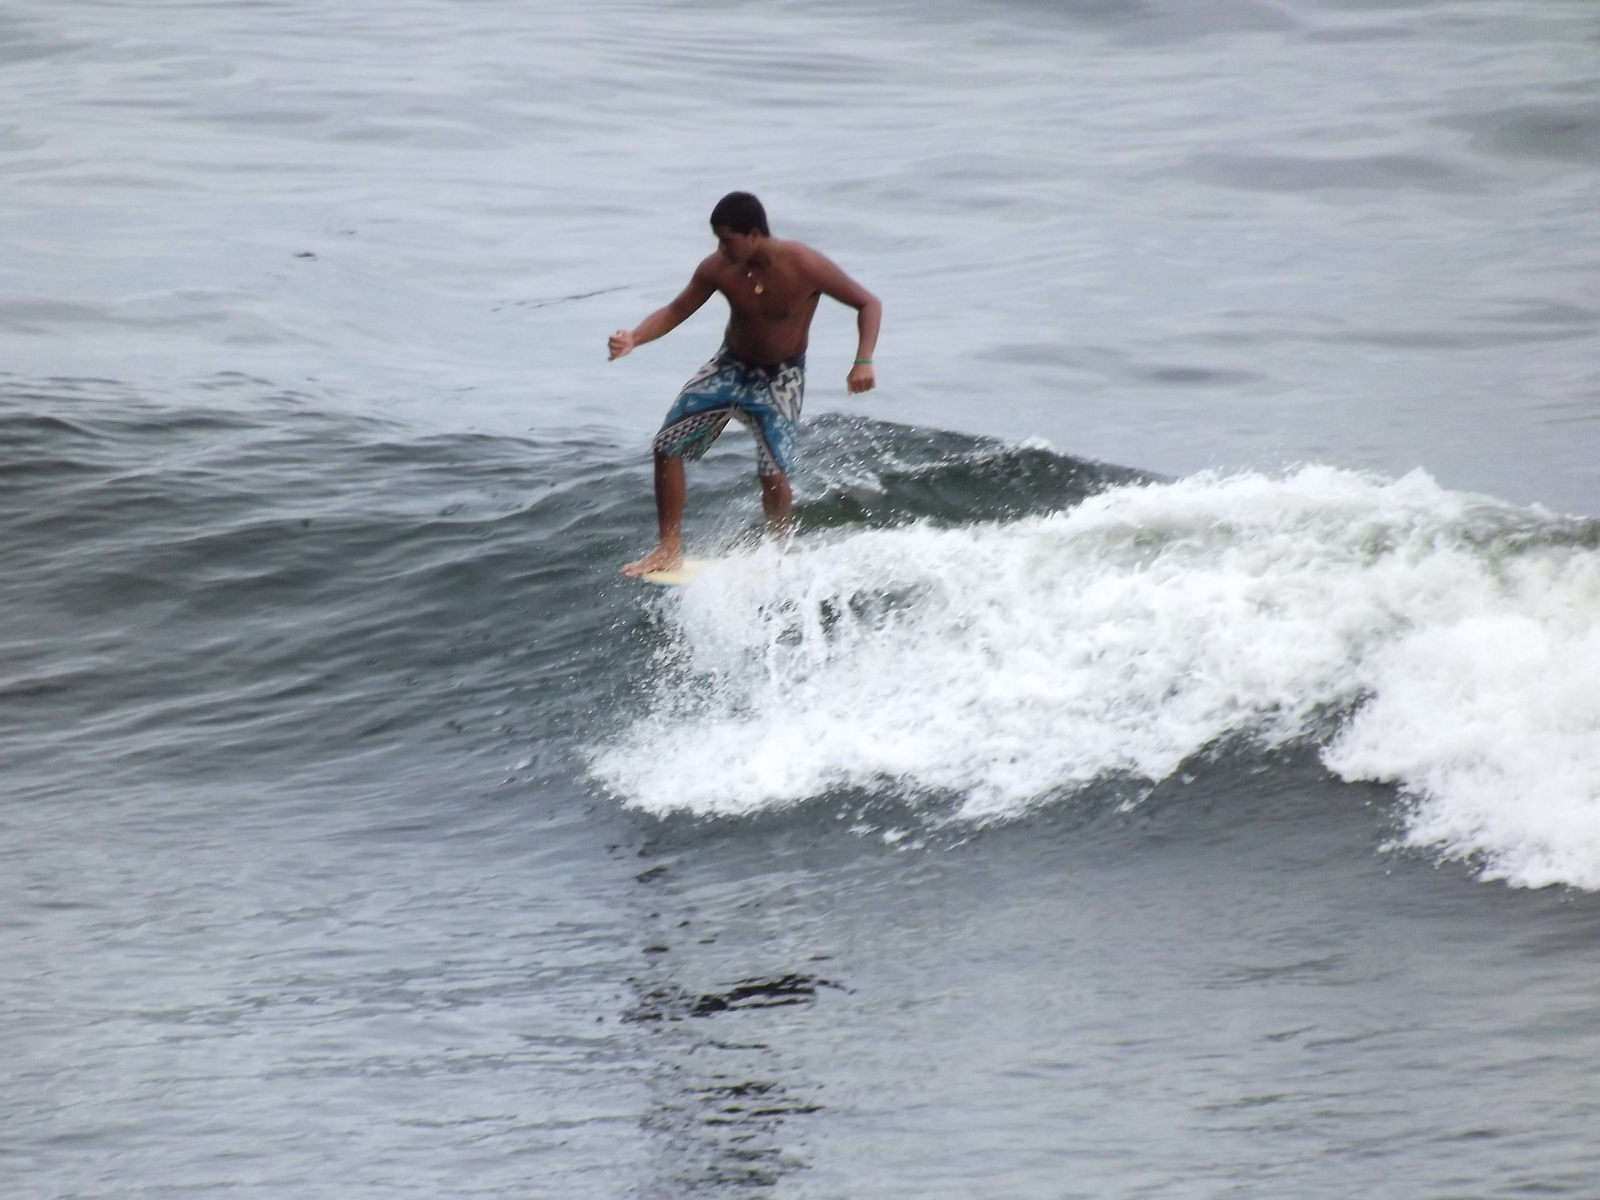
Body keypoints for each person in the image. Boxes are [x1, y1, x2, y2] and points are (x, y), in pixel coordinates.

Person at [609, 191, 881, 576]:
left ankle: (776, 554)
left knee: (772, 471)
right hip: (729, 368)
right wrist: (634, 338)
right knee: (666, 446)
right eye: (718, 241)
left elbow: (868, 303)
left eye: (727, 240)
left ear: (754, 234)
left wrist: (863, 360)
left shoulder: (804, 264)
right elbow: (676, 309)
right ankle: (669, 548)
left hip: (780, 378)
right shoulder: (719, 268)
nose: (721, 249)